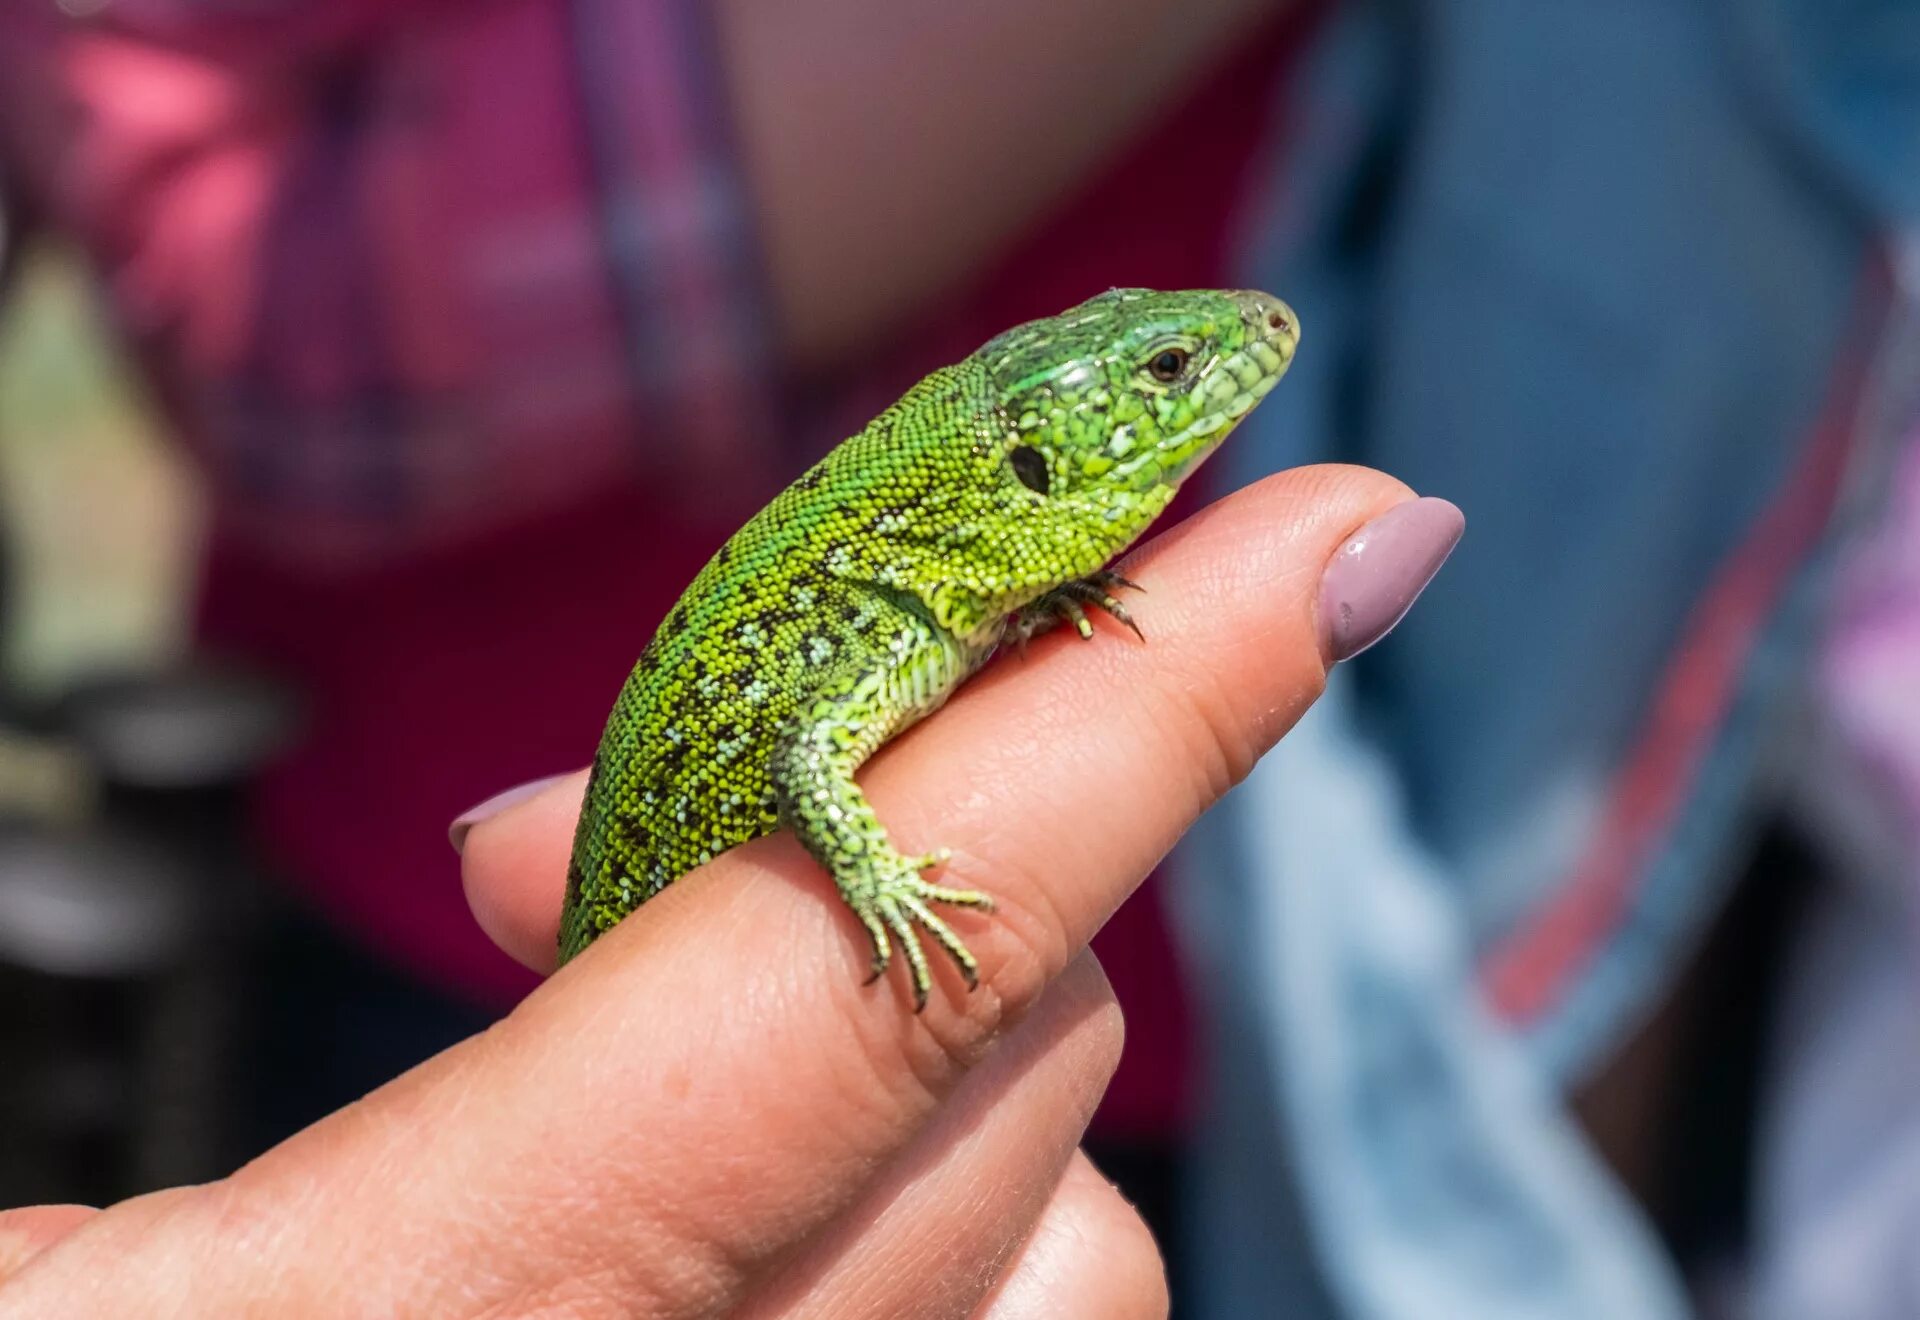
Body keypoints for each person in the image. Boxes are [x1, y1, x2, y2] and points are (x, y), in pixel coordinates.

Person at [0, 468, 1458, 1314]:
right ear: (1028, 471)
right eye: (1165, 374)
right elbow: (820, 745)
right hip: (616, 987)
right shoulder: (899, 586)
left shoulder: (951, 567)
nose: (1230, 358)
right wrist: (879, 880)